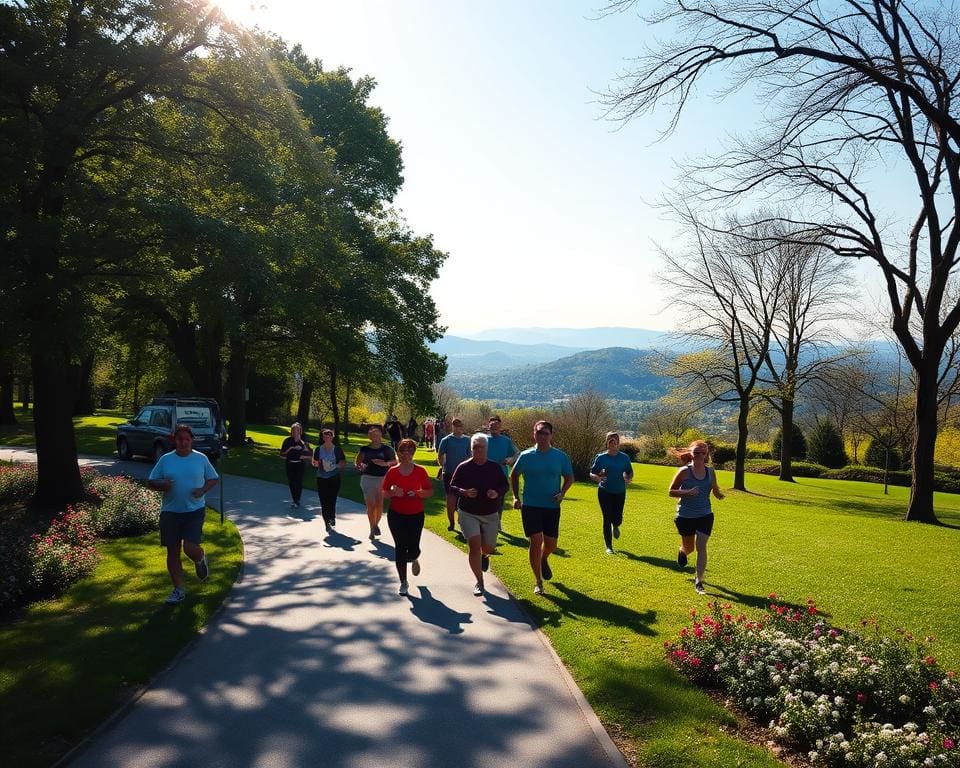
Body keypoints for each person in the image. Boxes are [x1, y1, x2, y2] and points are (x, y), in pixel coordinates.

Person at [148, 424, 219, 605]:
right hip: (170, 512)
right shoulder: (166, 459)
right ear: (174, 440)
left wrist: (202, 490)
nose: (183, 443)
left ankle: (200, 557)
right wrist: (161, 485)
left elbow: (213, 478)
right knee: (173, 552)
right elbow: (151, 481)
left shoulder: (200, 459)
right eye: (180, 439)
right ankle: (179, 590)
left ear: (191, 440)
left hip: (194, 510)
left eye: (187, 439)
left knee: (189, 547)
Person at [510, 420, 574, 595]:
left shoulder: (560, 457)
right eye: (539, 432)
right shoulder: (526, 456)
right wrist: (516, 497)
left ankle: (544, 558)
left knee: (551, 544)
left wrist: (562, 493)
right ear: (534, 434)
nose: (542, 436)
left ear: (551, 435)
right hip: (531, 505)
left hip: (552, 506)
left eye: (545, 433)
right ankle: (538, 581)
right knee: (536, 541)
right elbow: (514, 475)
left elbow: (569, 478)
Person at [449, 433, 509, 596]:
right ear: (471, 449)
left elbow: (505, 486)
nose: (477, 450)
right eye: (474, 447)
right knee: (474, 545)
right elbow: (452, 486)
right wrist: (464, 492)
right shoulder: (463, 467)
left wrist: (496, 493)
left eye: (480, 447)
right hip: (468, 512)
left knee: (488, 546)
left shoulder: (494, 467)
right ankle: (479, 582)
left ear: (486, 449)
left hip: (490, 513)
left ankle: (486, 555)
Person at [668, 439, 725, 595]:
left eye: (703, 453)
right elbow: (671, 491)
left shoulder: (711, 471)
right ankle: (682, 552)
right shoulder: (684, 472)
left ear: (706, 455)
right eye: (696, 452)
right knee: (690, 548)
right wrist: (687, 492)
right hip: (685, 516)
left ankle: (699, 581)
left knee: (701, 546)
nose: (700, 455)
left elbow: (714, 489)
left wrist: (719, 494)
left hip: (705, 515)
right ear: (691, 454)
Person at [382, 438, 434, 596]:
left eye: (409, 451)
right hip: (396, 514)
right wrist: (392, 493)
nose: (406, 454)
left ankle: (414, 556)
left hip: (415, 514)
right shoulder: (393, 471)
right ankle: (403, 582)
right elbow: (384, 492)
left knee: (412, 548)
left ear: (413, 453)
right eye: (403, 451)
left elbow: (429, 492)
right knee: (400, 547)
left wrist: (418, 493)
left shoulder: (420, 471)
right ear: (399, 452)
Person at [589, 432, 634, 554]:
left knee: (617, 517)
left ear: (618, 443)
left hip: (620, 491)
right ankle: (609, 546)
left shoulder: (624, 458)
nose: (612, 442)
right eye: (610, 440)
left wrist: (628, 478)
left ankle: (616, 525)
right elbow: (592, 473)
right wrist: (597, 478)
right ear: (606, 442)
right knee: (607, 517)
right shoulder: (601, 458)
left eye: (614, 440)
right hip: (604, 491)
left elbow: (630, 472)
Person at [356, 425, 397, 540]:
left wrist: (385, 464)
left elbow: (395, 462)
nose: (376, 437)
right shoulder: (364, 449)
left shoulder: (387, 449)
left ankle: (375, 525)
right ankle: (372, 529)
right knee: (371, 505)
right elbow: (358, 462)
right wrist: (360, 466)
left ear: (381, 436)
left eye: (378, 435)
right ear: (370, 437)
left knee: (379, 505)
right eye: (374, 435)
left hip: (382, 479)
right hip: (367, 479)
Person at [437, 417, 471, 532]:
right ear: (452, 426)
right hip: (449, 473)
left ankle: (463, 523)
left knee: (464, 499)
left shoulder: (467, 440)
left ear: (462, 426)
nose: (457, 427)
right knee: (450, 499)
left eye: (459, 425)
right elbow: (440, 455)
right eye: (455, 425)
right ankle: (451, 523)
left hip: (464, 474)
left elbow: (470, 456)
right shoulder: (446, 440)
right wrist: (442, 467)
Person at [312, 428, 346, 531]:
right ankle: (326, 521)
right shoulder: (318, 449)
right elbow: (315, 462)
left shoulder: (337, 449)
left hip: (334, 477)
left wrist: (334, 465)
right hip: (321, 478)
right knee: (323, 500)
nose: (327, 438)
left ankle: (332, 517)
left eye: (329, 436)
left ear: (332, 437)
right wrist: (318, 464)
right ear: (323, 437)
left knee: (332, 499)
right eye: (325, 436)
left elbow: (343, 462)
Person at [485, 415, 519, 519]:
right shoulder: (483, 440)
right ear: (488, 426)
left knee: (499, 500)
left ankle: (497, 521)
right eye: (492, 425)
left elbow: (517, 453)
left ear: (500, 427)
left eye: (496, 425)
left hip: (501, 476)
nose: (494, 428)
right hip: (484, 474)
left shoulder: (506, 440)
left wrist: (510, 460)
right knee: (485, 499)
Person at [280, 423, 311, 508]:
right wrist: (291, 448)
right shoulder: (287, 441)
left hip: (300, 465)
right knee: (292, 482)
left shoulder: (304, 442)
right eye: (293, 430)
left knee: (298, 482)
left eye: (297, 430)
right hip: (289, 464)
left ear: (300, 431)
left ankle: (296, 500)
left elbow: (309, 455)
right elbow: (282, 455)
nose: (295, 432)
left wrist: (301, 455)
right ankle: (295, 499)